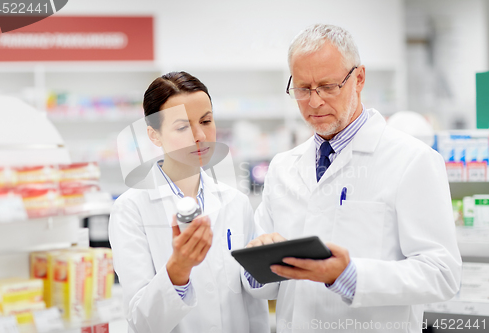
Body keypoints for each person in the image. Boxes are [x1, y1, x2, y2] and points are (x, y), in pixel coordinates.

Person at [243, 24, 462, 332]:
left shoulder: (413, 160)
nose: (314, 102)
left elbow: (442, 274)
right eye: (303, 89)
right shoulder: (282, 167)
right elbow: (263, 287)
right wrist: (260, 263)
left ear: (358, 79)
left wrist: (348, 275)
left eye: (328, 86)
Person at [109, 71, 269, 333]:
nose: (199, 136)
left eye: (206, 121)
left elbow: (254, 308)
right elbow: (141, 322)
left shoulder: (236, 202)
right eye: (182, 127)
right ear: (154, 135)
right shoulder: (131, 209)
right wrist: (178, 270)